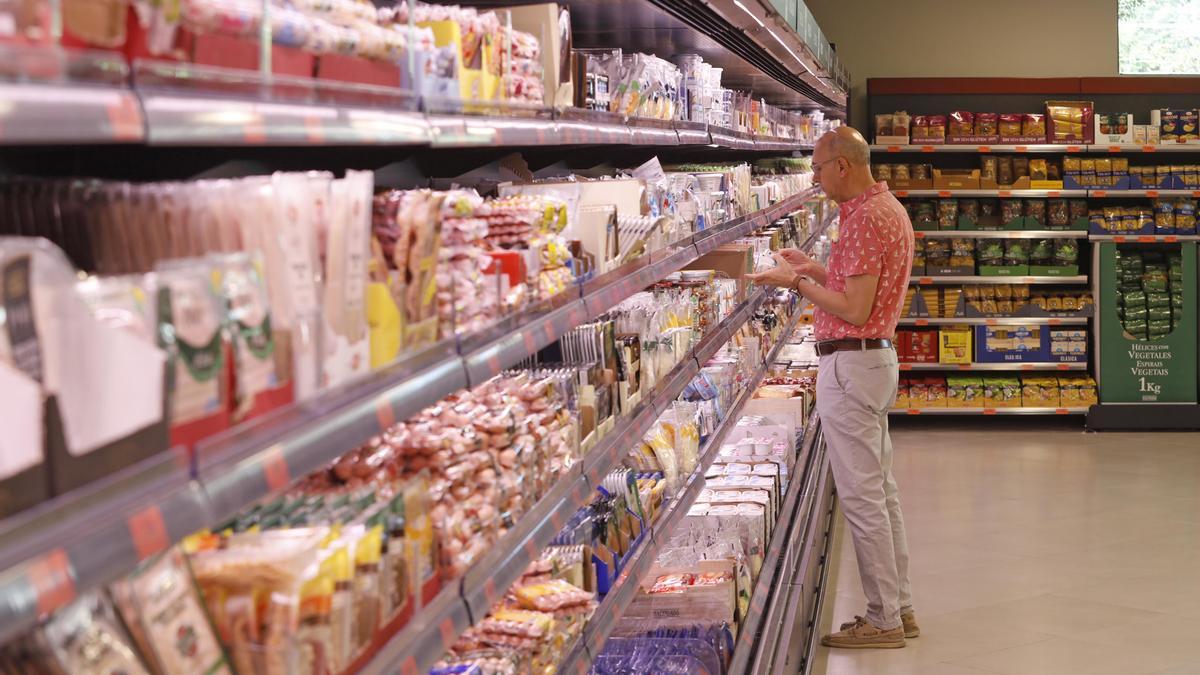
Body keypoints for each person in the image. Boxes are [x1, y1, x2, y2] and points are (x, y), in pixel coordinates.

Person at [747, 126, 917, 649]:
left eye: (818, 169)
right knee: (880, 493)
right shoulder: (884, 208)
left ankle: (883, 619)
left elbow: (854, 309)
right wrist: (815, 268)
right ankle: (899, 608)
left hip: (852, 366)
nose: (816, 180)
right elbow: (856, 283)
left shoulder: (865, 218)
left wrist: (794, 284)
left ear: (842, 165)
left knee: (863, 498)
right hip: (871, 364)